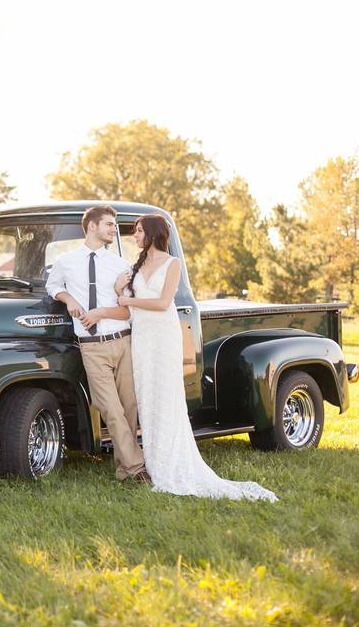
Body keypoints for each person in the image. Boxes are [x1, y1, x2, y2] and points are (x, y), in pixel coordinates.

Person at [116, 214, 278, 501]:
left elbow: (164, 302)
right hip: (142, 337)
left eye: (139, 231)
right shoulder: (135, 266)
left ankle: (170, 464)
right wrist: (121, 289)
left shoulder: (172, 263)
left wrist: (127, 300)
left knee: (166, 397)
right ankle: (154, 462)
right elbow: (124, 300)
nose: (135, 235)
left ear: (152, 233)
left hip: (163, 336)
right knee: (148, 396)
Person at [45, 205, 150, 483]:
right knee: (111, 411)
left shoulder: (120, 266)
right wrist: (69, 299)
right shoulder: (66, 262)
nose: (114, 230)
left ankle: (124, 470)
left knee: (129, 410)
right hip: (91, 347)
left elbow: (127, 311)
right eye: (109, 225)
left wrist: (100, 312)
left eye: (113, 225)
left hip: (122, 343)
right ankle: (138, 469)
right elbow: (52, 286)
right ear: (92, 226)